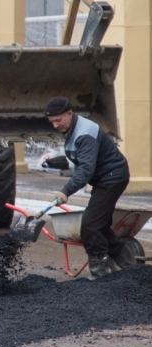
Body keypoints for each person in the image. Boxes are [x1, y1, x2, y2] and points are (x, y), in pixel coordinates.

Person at [45, 96, 131, 277]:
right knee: (100, 225)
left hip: (112, 178)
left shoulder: (85, 133)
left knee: (90, 225)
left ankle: (99, 271)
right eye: (51, 122)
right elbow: (79, 161)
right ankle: (130, 265)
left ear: (70, 113)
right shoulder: (72, 129)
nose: (55, 125)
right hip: (103, 179)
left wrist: (65, 191)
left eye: (58, 120)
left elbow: (85, 170)